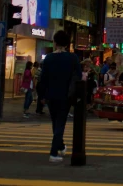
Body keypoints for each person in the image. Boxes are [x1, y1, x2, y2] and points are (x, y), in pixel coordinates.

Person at [40, 30, 82, 163]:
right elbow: (79, 76)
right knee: (60, 124)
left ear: (55, 42)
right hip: (66, 95)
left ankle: (61, 146)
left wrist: (42, 95)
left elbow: (43, 78)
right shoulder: (72, 58)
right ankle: (53, 152)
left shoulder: (48, 58)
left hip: (50, 95)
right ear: (68, 43)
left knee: (55, 122)